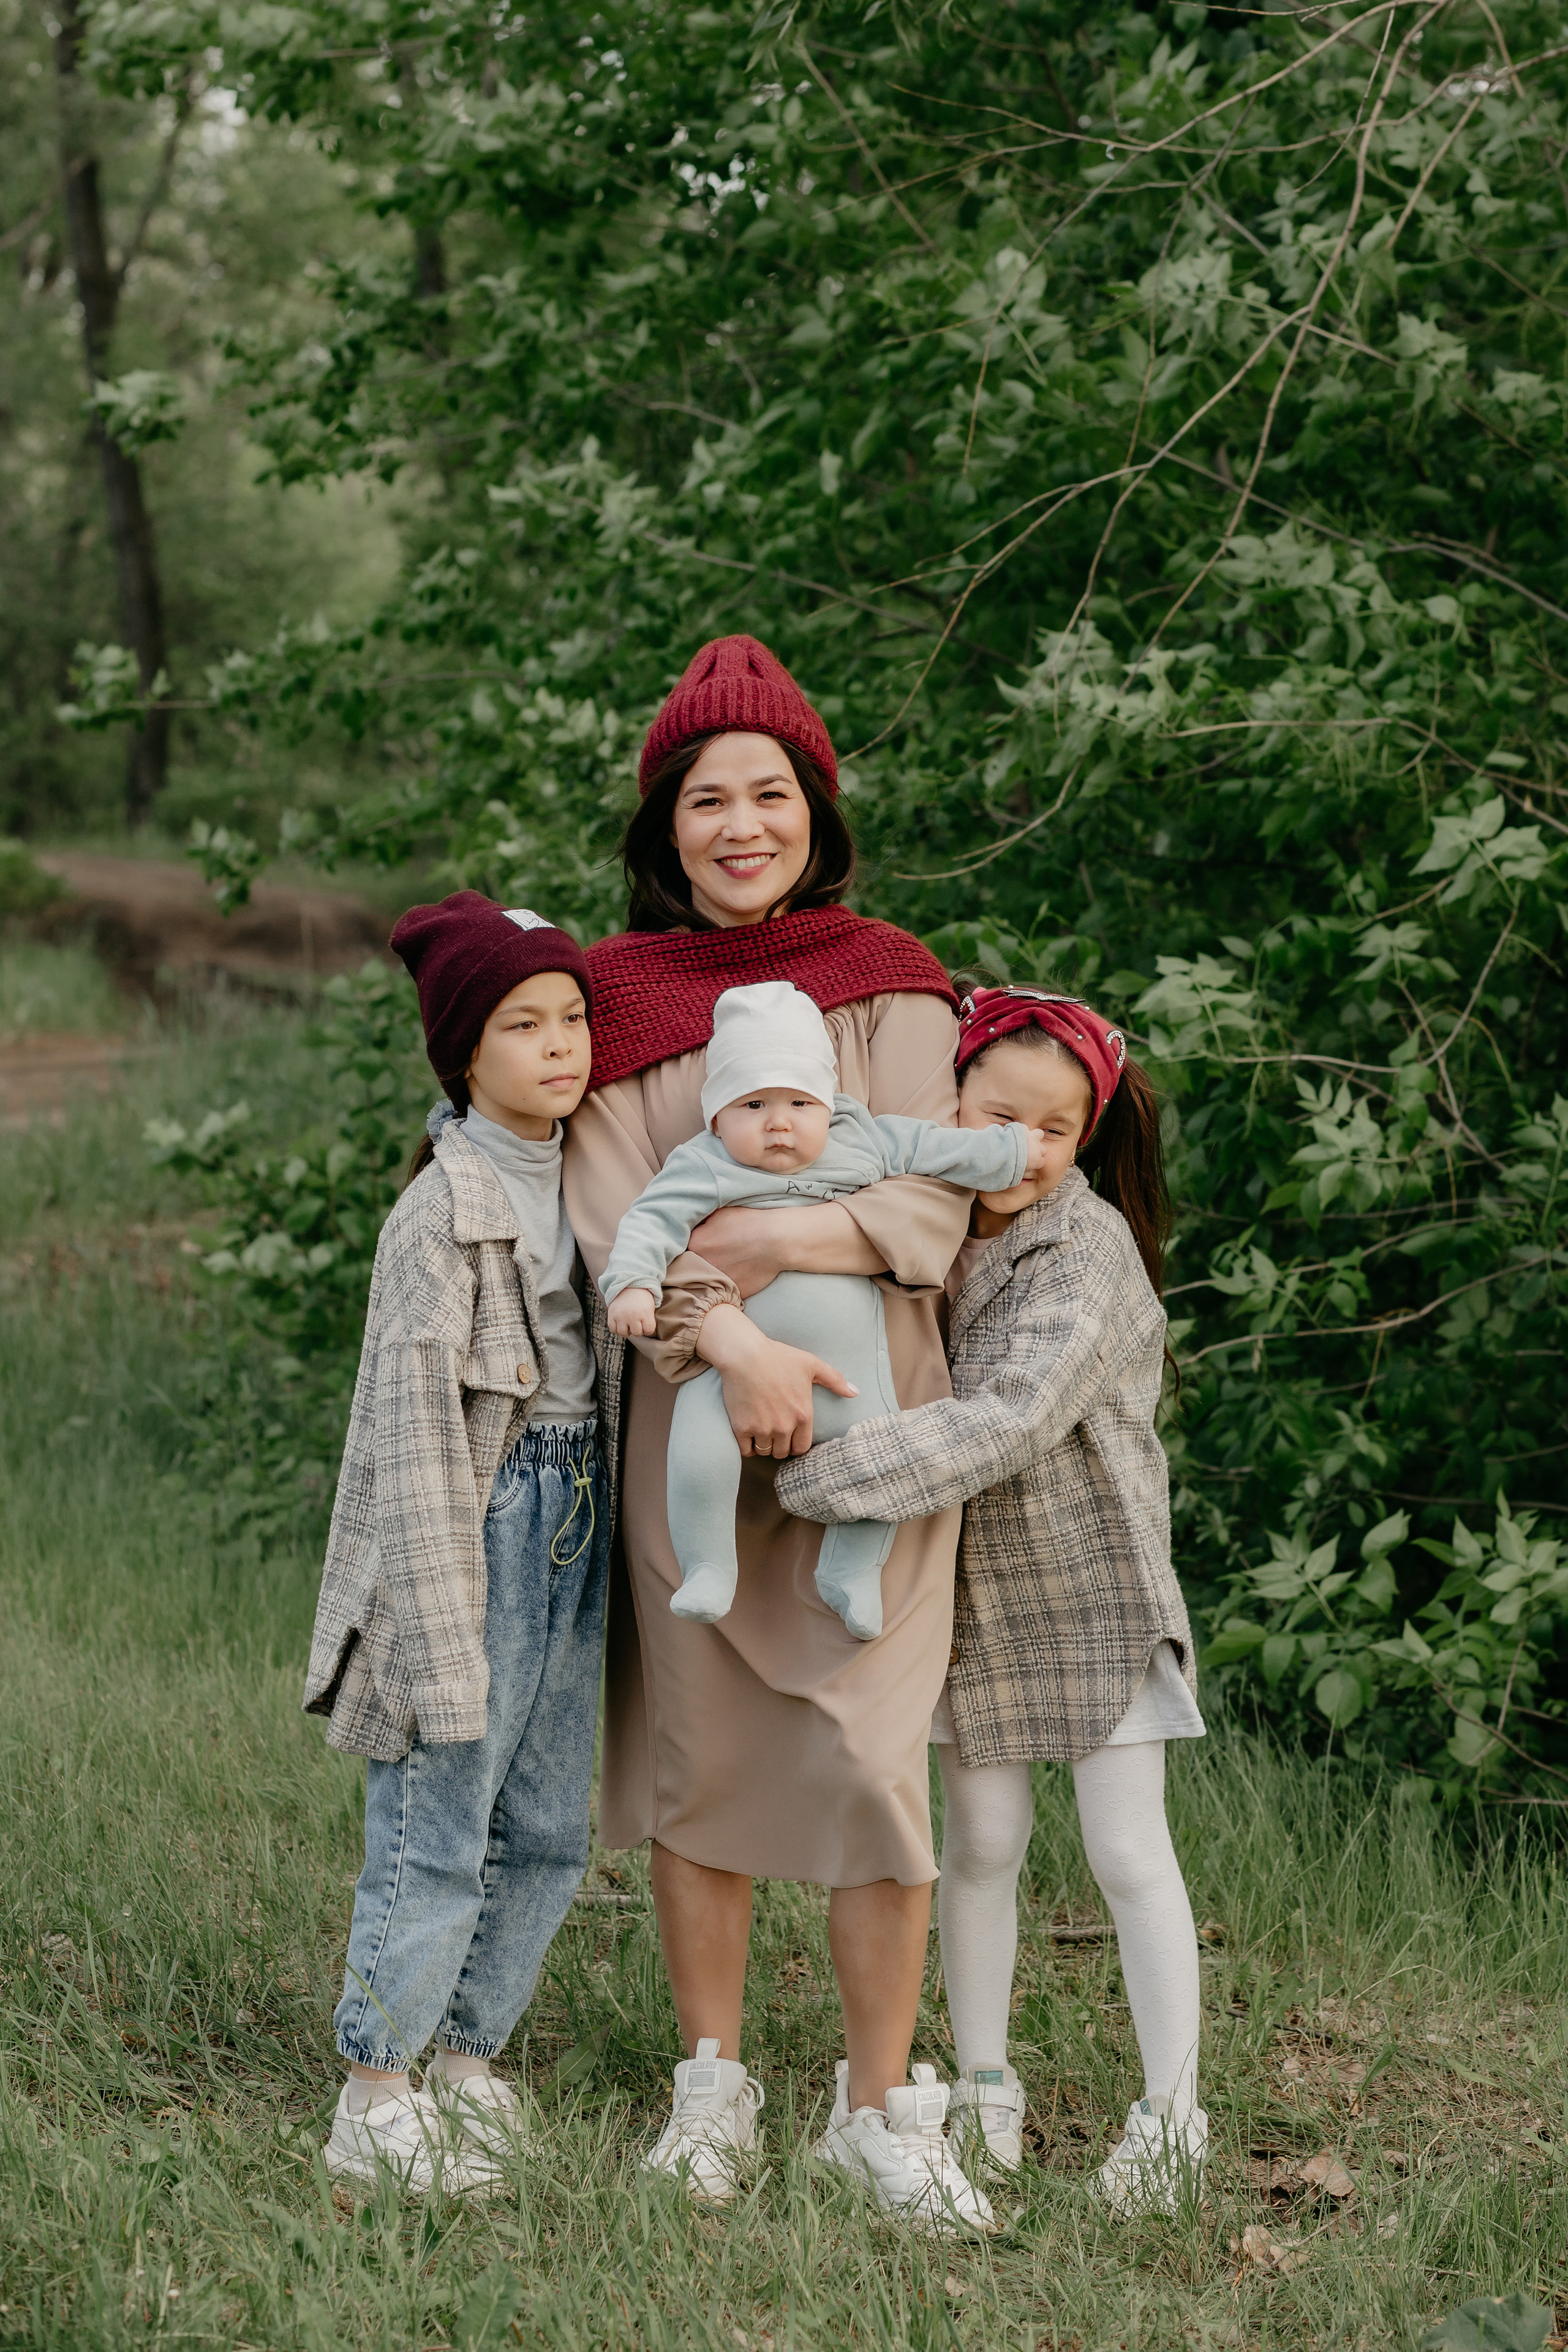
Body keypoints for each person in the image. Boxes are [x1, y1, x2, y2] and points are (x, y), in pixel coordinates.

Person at [562, 633, 993, 2232]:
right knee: (706, 1764)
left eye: (769, 793)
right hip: (693, 1430)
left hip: (881, 1429)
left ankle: (879, 2107)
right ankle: (711, 2089)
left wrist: (761, 1250)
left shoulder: (889, 978)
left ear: (813, 805)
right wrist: (726, 1334)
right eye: (704, 799)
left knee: (879, 1769)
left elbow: (931, 1201)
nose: (740, 824)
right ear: (662, 825)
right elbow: (616, 1223)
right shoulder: (613, 1002)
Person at [778, 985, 1208, 2217]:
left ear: (1088, 1137)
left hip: (1093, 1587)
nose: (1021, 1148)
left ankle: (1170, 2115)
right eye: (996, 1115)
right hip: (964, 1595)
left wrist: (819, 1479)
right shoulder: (928, 1222)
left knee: (1127, 1852)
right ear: (952, 1104)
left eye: (1053, 1129)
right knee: (978, 1845)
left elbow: (1006, 1418)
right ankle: (979, 2088)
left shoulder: (1085, 1252)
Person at [303, 894, 614, 2195]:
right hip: (484, 1515)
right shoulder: (438, 1217)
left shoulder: (597, 1172)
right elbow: (413, 1445)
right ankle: (376, 2089)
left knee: (546, 1819)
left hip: (582, 1505)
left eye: (574, 1015)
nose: (561, 1045)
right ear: (461, 1055)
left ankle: (466, 2062)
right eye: (522, 1023)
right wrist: (440, 1639)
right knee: (440, 1811)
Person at [602, 979, 1047, 1637]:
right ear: (717, 1116)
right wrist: (634, 1285)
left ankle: (850, 1573)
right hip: (727, 1372)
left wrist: (1011, 1152)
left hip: (852, 1377)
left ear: (829, 1102)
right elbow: (649, 1223)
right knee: (696, 1452)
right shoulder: (703, 1164)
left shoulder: (859, 1138)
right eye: (752, 1103)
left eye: (799, 1102)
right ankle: (708, 1567)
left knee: (883, 1462)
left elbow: (941, 1151)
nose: (778, 1121)